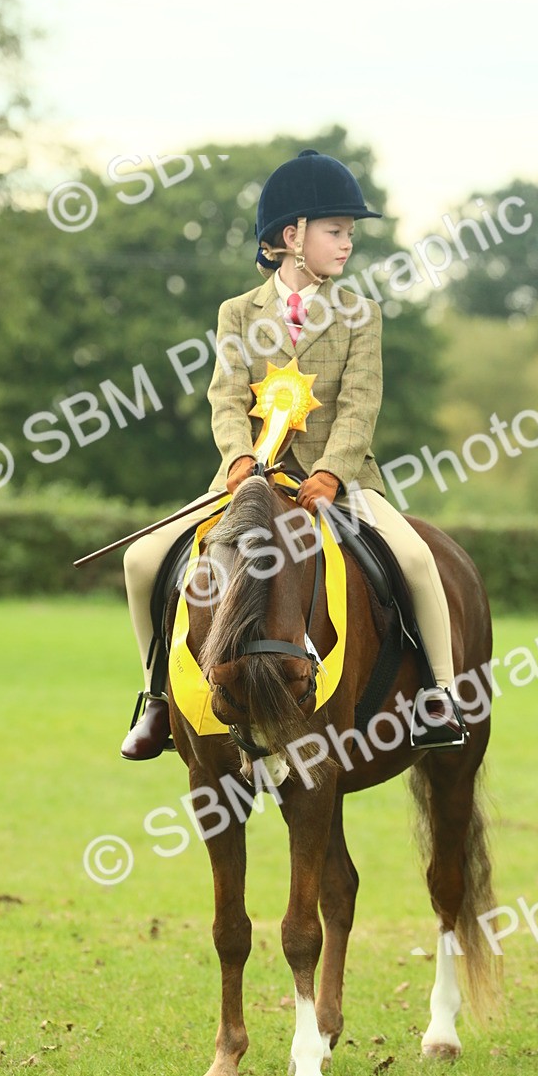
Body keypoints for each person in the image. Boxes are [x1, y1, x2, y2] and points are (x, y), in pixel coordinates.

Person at [120, 149, 465, 760]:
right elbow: (225, 397)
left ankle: (439, 693)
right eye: (336, 231)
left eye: (350, 233)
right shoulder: (236, 314)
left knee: (415, 558)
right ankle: (156, 700)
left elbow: (360, 404)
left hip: (345, 481)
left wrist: (332, 470)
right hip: (247, 481)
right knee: (143, 560)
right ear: (292, 236)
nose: (347, 243)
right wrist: (237, 460)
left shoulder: (361, 315)